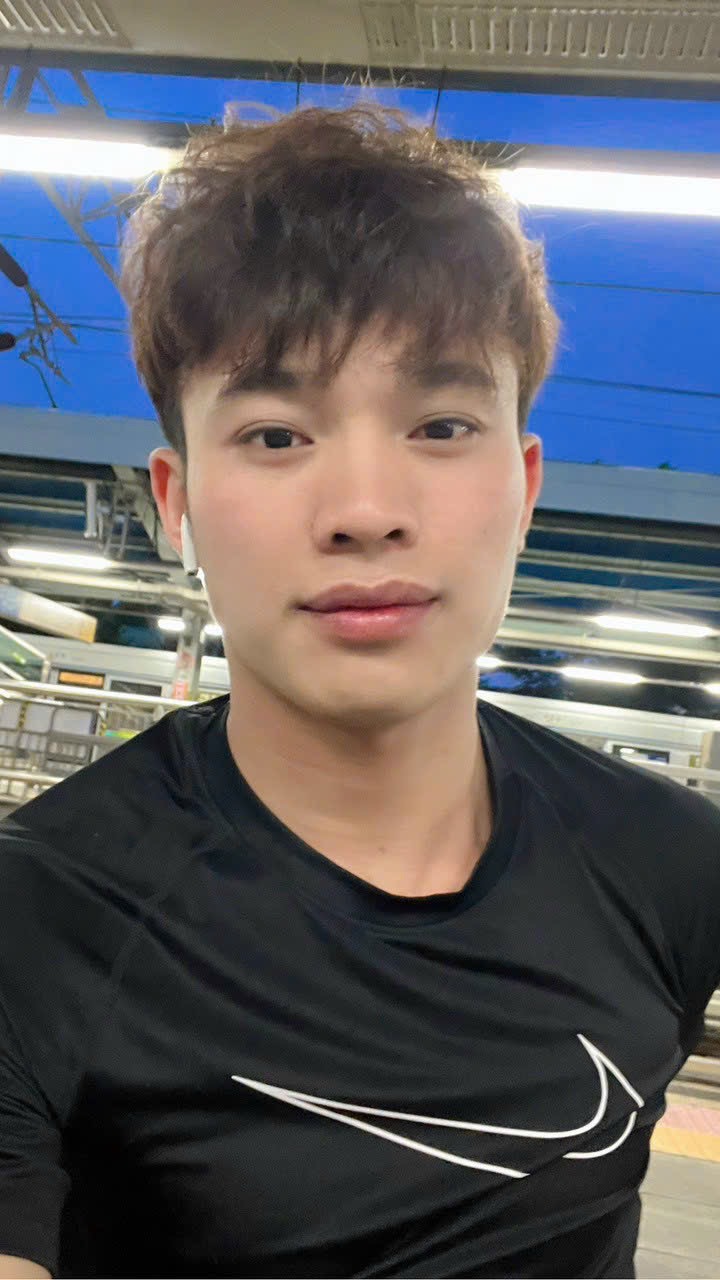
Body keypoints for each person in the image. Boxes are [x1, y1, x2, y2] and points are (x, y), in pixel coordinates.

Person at [0, 102, 718, 1280]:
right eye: (277, 436)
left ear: (525, 487)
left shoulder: (671, 865)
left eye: (441, 423)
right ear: (176, 501)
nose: (366, 509)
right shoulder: (40, 918)